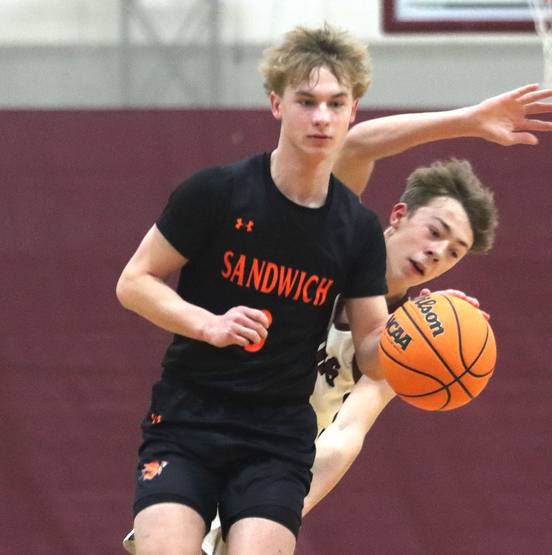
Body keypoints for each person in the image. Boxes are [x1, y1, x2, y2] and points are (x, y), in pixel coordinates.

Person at [121, 80, 552, 553]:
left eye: (454, 253)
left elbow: (344, 436)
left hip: (273, 464)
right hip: (212, 419)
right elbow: (356, 145)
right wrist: (465, 122)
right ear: (398, 215)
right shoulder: (337, 234)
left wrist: (268, 513)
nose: (436, 253)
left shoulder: (409, 341)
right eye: (435, 233)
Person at [116, 24, 391, 555]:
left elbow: (375, 357)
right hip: (189, 415)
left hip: (276, 434)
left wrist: (424, 336)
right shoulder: (217, 192)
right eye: (306, 101)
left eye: (337, 103)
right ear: (276, 103)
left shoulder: (357, 229)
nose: (322, 117)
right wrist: (207, 324)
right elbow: (134, 282)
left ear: (354, 109)